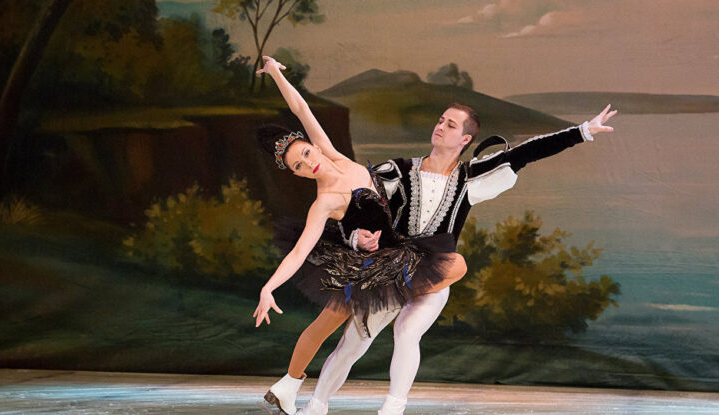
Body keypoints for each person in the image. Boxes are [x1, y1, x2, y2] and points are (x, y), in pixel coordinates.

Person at [296, 104, 617, 415]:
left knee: (407, 331)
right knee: (353, 342)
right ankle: (315, 406)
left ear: (465, 139)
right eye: (440, 120)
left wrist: (583, 131)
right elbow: (354, 200)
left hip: (434, 276)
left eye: (450, 124)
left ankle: (392, 409)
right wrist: (354, 236)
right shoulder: (399, 170)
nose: (440, 126)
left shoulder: (470, 177)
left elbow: (525, 152)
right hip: (390, 270)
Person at [252, 56, 469, 415]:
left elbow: (301, 108)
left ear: (313, 145)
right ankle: (290, 383)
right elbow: (299, 252)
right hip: (366, 268)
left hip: (396, 256)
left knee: (456, 265)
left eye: (305, 153)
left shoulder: (335, 157)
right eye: (298, 166)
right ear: (297, 174)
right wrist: (268, 287)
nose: (308, 163)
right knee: (324, 325)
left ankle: (288, 387)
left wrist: (275, 73)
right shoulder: (323, 202)